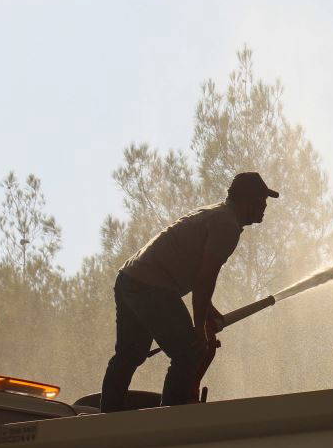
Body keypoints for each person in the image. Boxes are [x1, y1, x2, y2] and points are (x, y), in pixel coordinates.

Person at [99, 172, 279, 411]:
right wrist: (198, 329)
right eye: (261, 199)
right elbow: (205, 279)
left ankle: (108, 415)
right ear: (247, 200)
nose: (265, 205)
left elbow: (197, 276)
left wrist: (208, 314)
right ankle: (171, 418)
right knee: (189, 352)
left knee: (130, 353)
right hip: (151, 285)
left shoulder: (218, 214)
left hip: (129, 279)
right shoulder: (227, 226)